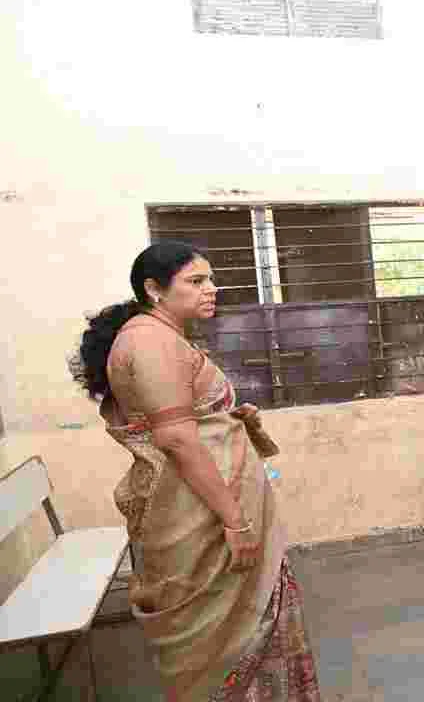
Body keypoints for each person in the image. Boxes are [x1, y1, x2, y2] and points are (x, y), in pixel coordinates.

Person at [69, 242, 321, 702]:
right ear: (154, 289)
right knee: (223, 641)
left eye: (211, 279)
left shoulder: (161, 336)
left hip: (202, 505)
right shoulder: (149, 342)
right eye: (196, 281)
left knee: (246, 625)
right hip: (199, 516)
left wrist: (226, 415)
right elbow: (176, 440)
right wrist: (235, 522)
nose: (211, 289)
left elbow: (183, 419)